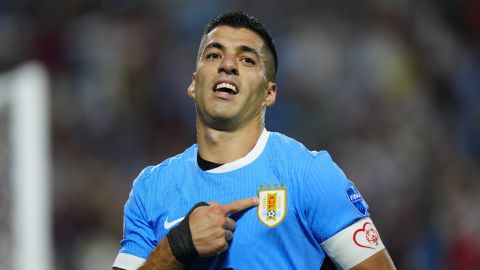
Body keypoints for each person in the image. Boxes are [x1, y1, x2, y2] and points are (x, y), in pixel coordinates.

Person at [112, 11, 396, 270]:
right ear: (194, 83)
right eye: (213, 55)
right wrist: (177, 246)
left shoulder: (309, 174)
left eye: (247, 59)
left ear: (269, 93)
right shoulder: (151, 189)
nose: (227, 65)